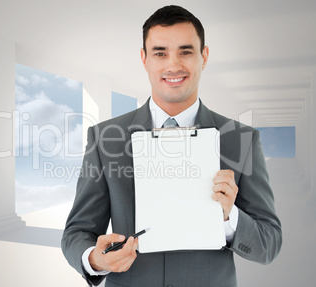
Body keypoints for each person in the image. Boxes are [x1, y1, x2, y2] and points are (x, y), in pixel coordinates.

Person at [61, 5, 282, 287]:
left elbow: (270, 243)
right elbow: (77, 232)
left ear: (204, 57)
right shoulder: (105, 138)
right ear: (144, 59)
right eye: (160, 53)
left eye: (186, 51)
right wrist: (93, 259)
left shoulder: (241, 140)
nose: (173, 65)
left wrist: (230, 217)